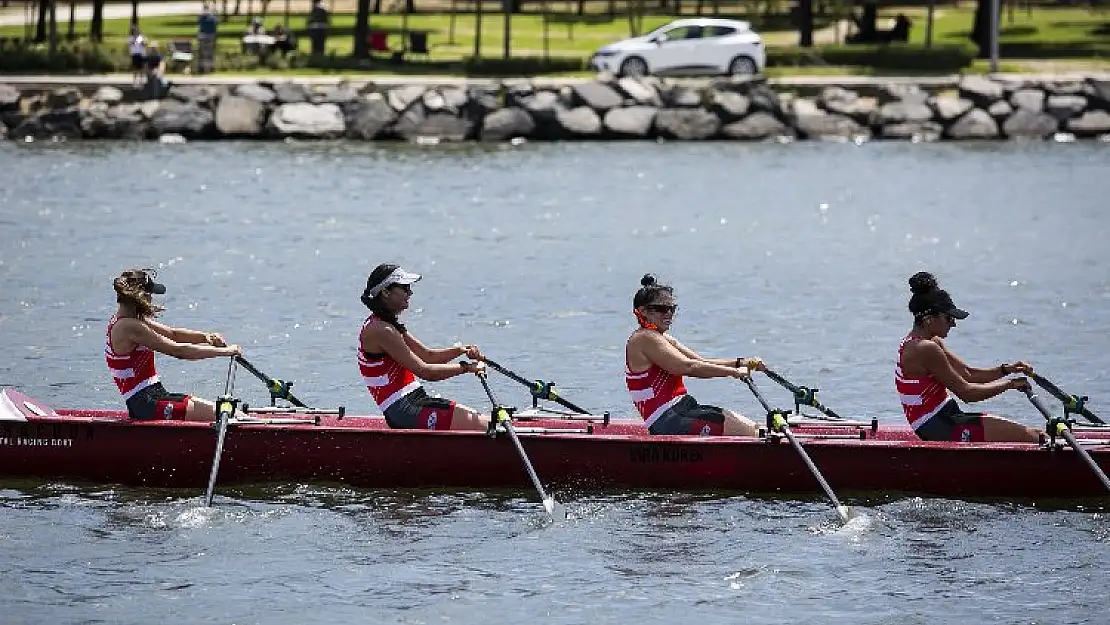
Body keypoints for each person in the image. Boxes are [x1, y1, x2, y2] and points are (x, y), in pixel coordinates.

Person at [895, 271, 1041, 443]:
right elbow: (967, 393)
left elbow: (968, 373)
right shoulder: (925, 349)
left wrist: (1006, 369)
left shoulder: (924, 342)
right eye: (949, 318)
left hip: (947, 418)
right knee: (1034, 437)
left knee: (1036, 433)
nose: (954, 324)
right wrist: (1010, 385)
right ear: (928, 319)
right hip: (939, 427)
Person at [624, 274, 764, 436]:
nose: (668, 314)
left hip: (683, 409)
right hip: (668, 419)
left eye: (672, 309)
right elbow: (688, 367)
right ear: (643, 311)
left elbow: (699, 361)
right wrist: (733, 372)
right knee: (754, 434)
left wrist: (743, 363)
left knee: (755, 428)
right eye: (662, 309)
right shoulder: (643, 339)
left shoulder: (661, 338)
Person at [357, 263, 489, 431]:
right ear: (385, 292)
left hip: (413, 403)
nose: (410, 293)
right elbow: (425, 371)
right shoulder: (382, 330)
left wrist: (461, 350)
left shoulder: (387, 324)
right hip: (405, 409)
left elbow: (428, 356)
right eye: (405, 288)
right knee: (486, 426)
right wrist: (467, 368)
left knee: (484, 421)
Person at [106, 268, 241, 422]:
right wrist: (227, 352)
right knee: (230, 416)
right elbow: (178, 351)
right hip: (146, 404)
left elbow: (172, 334)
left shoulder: (127, 320)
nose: (151, 299)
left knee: (232, 413)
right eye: (150, 294)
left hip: (154, 397)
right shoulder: (129, 326)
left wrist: (206, 337)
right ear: (140, 295)